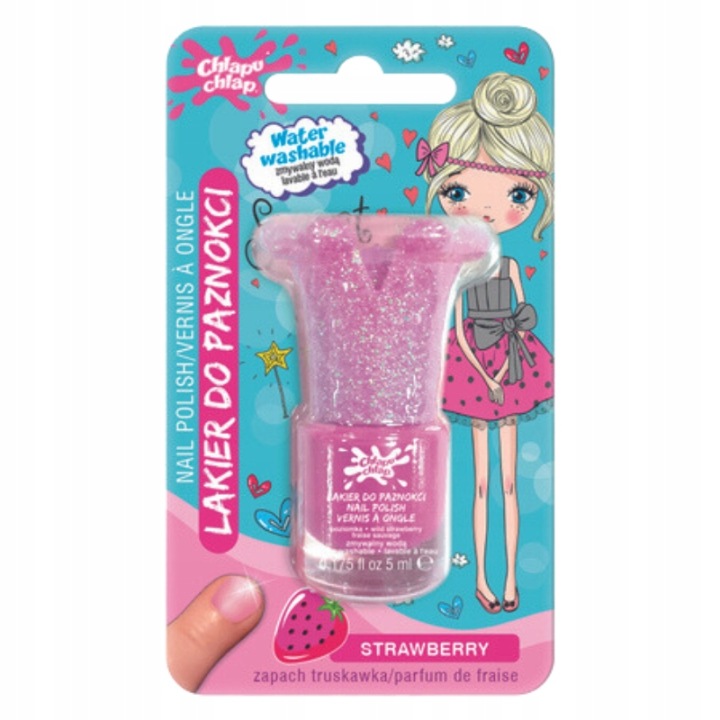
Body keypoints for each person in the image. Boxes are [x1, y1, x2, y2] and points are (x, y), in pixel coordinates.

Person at [418, 71, 554, 613]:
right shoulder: (457, 272)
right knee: (479, 483)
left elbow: (522, 318)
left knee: (510, 483)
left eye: (518, 194)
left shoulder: (511, 265)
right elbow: (456, 328)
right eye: (458, 192)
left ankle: (513, 580)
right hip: (474, 369)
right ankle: (480, 579)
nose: (487, 210)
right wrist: (485, 374)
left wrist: (504, 371)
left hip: (512, 366)